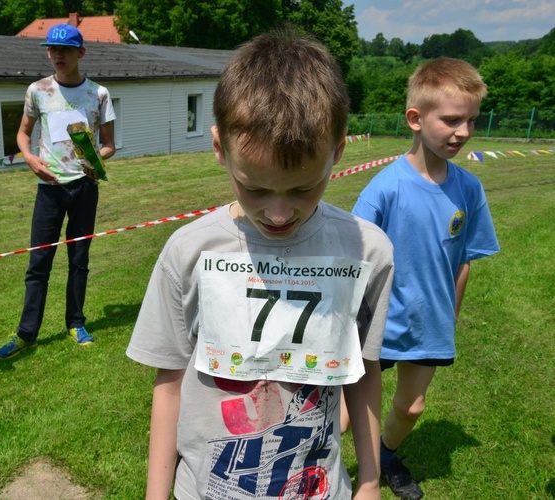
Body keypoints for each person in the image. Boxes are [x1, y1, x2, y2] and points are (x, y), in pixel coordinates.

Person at [126, 28, 394, 499]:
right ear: (219, 148)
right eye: (254, 187)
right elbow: (168, 383)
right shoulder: (189, 253)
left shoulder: (366, 251)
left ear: (338, 152)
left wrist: (369, 480)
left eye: (302, 189)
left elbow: (363, 371)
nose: (277, 213)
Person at [348, 58, 500, 499]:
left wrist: (450, 314)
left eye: (471, 120)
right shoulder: (384, 188)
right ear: (415, 119)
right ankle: (315, 466)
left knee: (411, 406)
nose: (464, 132)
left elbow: (465, 259)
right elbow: (356, 259)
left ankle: (384, 457)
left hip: (429, 321)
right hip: (375, 321)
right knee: (346, 410)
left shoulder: (469, 189)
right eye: (452, 120)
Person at [0, 24, 116, 359]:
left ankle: (76, 323)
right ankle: (26, 333)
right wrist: (30, 159)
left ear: (81, 53)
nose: (58, 55)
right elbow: (22, 133)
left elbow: (109, 145)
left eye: (65, 50)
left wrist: (97, 160)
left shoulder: (99, 94)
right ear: (48, 52)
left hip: (84, 187)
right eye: (52, 49)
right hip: (48, 189)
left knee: (79, 259)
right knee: (39, 262)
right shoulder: (38, 90)